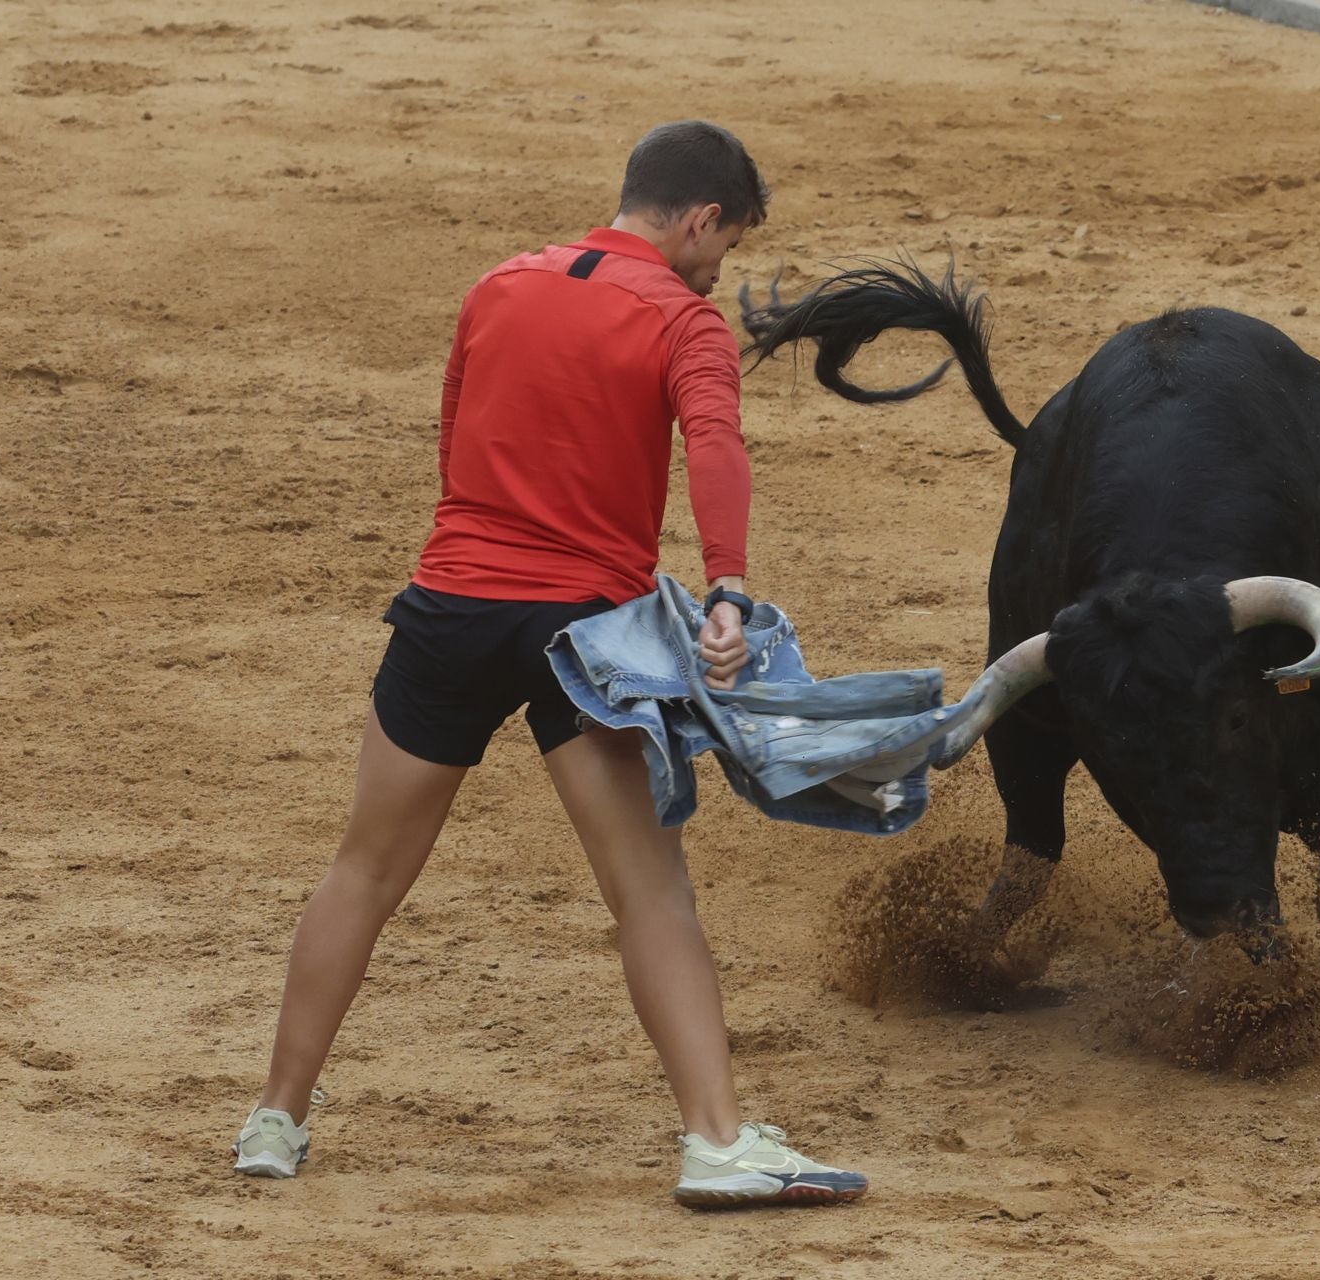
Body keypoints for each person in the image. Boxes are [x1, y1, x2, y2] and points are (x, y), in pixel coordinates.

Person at [232, 121, 868, 1209]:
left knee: (364, 870)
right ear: (700, 217)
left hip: (448, 608)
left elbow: (453, 439)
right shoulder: (683, 318)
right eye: (728, 245)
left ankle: (276, 1121)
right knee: (649, 890)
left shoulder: (497, 288)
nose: (723, 270)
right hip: (582, 637)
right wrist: (724, 587)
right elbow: (714, 444)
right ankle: (718, 1139)